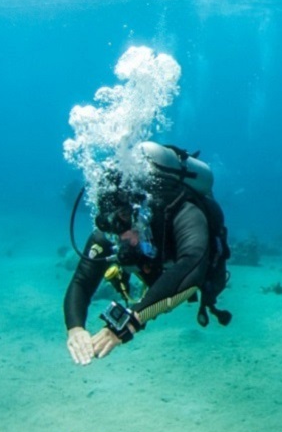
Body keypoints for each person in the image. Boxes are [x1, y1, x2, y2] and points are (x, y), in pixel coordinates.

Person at [64, 143, 230, 366]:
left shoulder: (184, 211)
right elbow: (82, 281)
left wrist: (130, 321)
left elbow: (192, 265)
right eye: (111, 225)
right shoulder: (113, 231)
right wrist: (75, 328)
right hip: (161, 269)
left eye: (124, 221)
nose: (119, 237)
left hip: (197, 265)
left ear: (140, 212)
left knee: (208, 282)